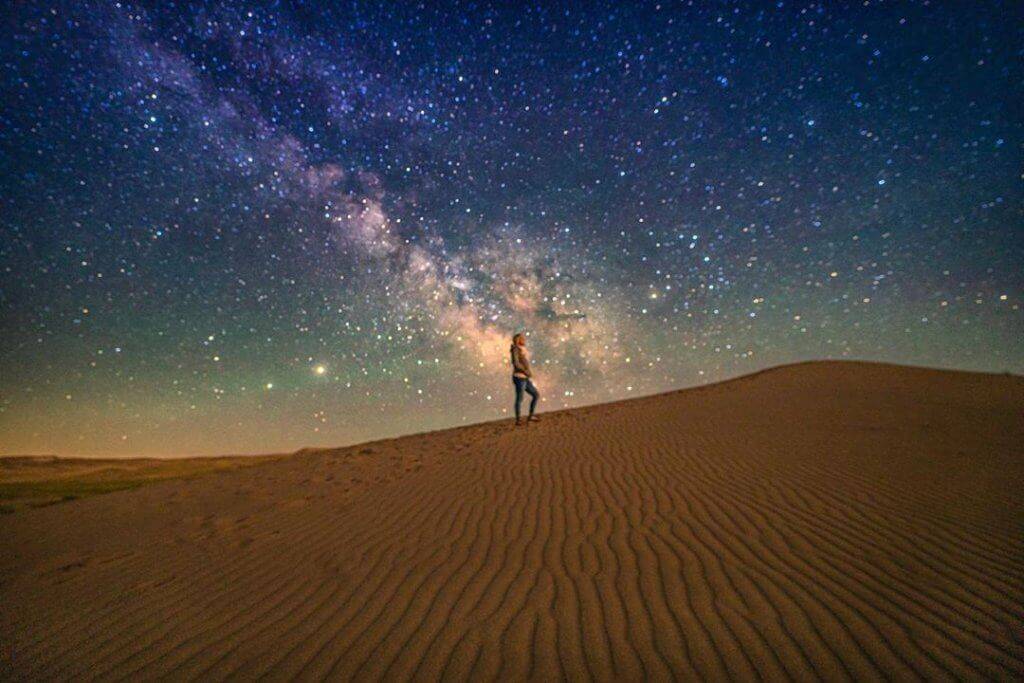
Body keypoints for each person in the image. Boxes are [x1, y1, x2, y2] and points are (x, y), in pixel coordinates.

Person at [510, 332, 540, 425]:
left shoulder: (521, 349)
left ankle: (531, 416)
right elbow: (516, 363)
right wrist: (525, 371)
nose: (524, 340)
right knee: (520, 398)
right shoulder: (515, 349)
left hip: (525, 378)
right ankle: (518, 420)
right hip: (519, 377)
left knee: (536, 395)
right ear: (518, 340)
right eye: (522, 339)